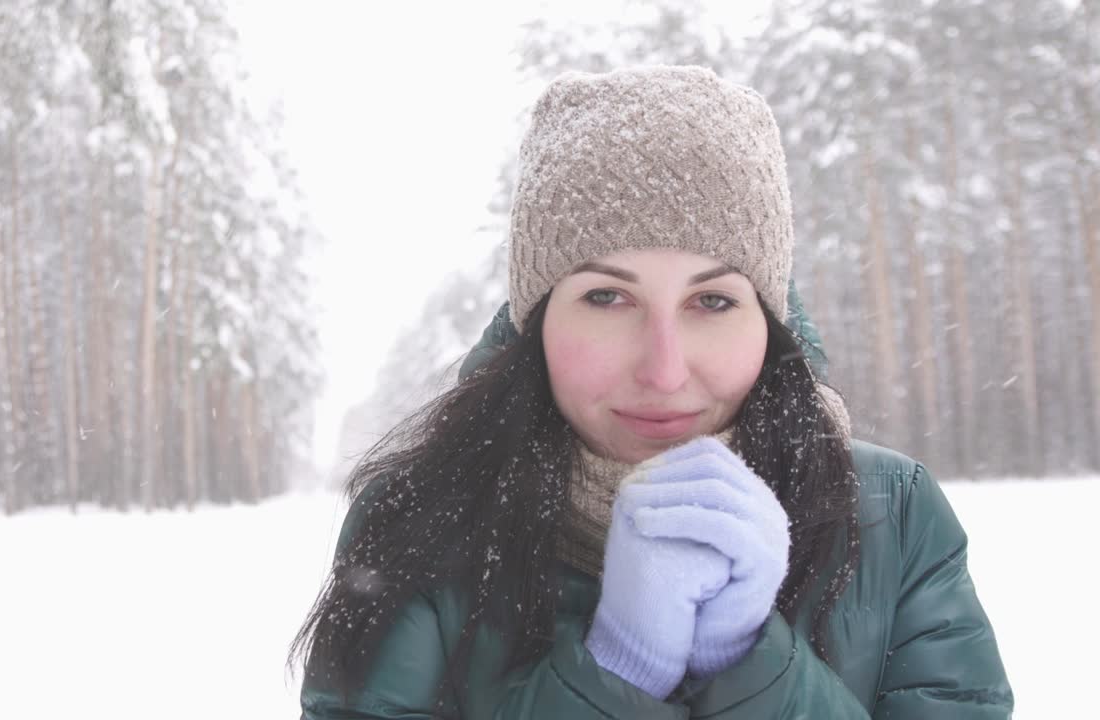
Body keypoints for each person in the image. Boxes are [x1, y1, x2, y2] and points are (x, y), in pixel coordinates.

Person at [292, 65, 1012, 718]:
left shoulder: (891, 514)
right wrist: (617, 672)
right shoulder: (419, 518)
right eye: (607, 298)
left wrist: (749, 663)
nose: (665, 372)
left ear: (768, 321)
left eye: (714, 303)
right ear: (537, 321)